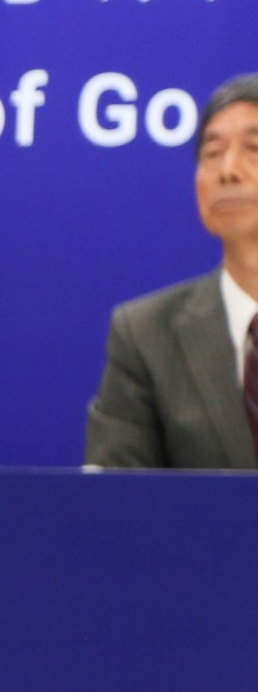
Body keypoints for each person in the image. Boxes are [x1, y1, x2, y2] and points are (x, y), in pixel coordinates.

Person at [86, 74, 258, 469]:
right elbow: (115, 507)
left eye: (254, 148)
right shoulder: (145, 334)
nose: (228, 171)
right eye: (211, 154)